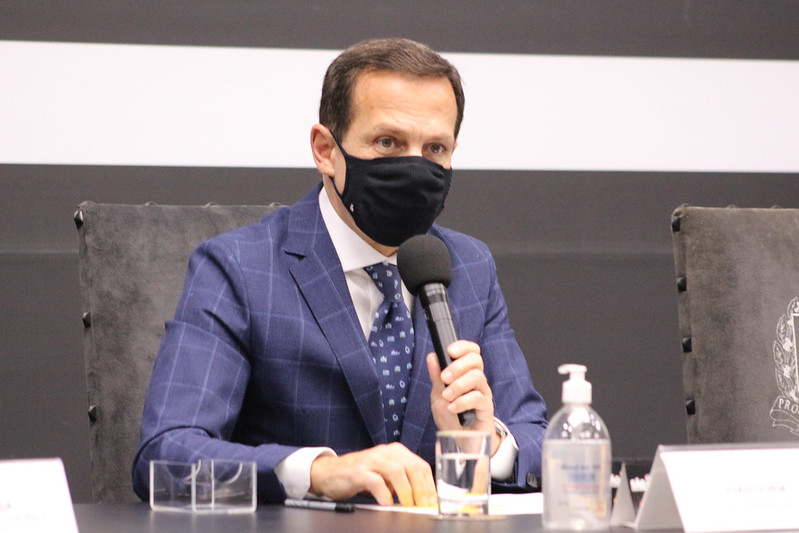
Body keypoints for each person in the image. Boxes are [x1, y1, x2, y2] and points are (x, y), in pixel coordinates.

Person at [132, 37, 547, 506]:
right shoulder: (240, 268)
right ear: (325, 149)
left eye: (435, 148)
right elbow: (164, 458)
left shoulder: (469, 267)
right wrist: (317, 473)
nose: (414, 167)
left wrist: (488, 443)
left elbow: (537, 440)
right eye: (388, 142)